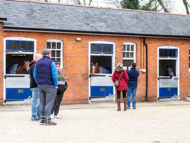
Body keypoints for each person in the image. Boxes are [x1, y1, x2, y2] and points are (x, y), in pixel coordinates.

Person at [34, 49, 58, 126]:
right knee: (49, 102)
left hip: (40, 85)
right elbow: (54, 74)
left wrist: (38, 83)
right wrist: (56, 84)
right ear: (48, 54)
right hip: (50, 85)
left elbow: (35, 75)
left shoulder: (37, 63)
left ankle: (42, 119)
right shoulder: (51, 62)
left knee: (42, 102)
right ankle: (48, 119)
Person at [29, 53, 42, 121]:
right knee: (36, 102)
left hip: (36, 86)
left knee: (38, 102)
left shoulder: (35, 65)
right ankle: (34, 117)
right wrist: (39, 83)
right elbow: (35, 76)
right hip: (35, 86)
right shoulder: (34, 65)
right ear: (36, 59)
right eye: (40, 59)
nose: (41, 60)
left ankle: (38, 116)